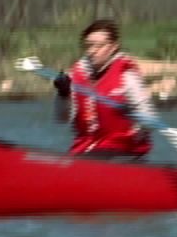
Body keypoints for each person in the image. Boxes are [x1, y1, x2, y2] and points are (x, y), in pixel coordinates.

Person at [52, 18, 157, 159]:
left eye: (99, 46)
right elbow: (62, 119)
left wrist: (136, 121)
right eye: (89, 46)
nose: (92, 51)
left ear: (114, 47)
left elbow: (148, 118)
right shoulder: (75, 76)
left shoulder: (127, 77)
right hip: (85, 150)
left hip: (123, 151)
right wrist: (63, 94)